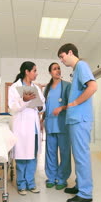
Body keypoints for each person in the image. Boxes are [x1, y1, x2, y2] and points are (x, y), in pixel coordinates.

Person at [57, 43, 97, 202]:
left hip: (80, 119)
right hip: (75, 120)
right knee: (78, 155)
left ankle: (86, 193)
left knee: (81, 156)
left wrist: (75, 103)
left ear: (70, 52)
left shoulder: (81, 65)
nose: (61, 61)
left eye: (62, 56)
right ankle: (80, 185)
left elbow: (93, 87)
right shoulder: (76, 71)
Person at [8, 61, 45, 196]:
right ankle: (21, 184)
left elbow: (42, 105)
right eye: (34, 71)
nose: (36, 73)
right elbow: (12, 108)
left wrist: (41, 106)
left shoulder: (36, 87)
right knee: (21, 156)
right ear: (27, 72)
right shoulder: (14, 87)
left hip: (33, 127)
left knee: (32, 156)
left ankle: (31, 183)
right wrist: (23, 99)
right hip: (21, 127)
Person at [42, 62, 72, 190]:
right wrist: (42, 121)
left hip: (62, 124)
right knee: (50, 153)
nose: (58, 70)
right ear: (50, 72)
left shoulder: (67, 86)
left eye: (59, 68)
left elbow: (72, 104)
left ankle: (62, 178)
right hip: (50, 124)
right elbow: (44, 107)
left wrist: (62, 107)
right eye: (54, 69)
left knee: (65, 153)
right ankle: (51, 177)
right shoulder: (47, 89)